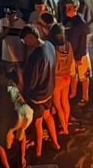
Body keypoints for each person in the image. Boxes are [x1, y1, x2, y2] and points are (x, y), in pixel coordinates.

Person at [21, 26, 59, 157]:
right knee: (48, 116)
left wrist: (25, 93)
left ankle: (38, 151)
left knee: (38, 123)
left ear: (30, 37)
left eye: (25, 40)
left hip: (38, 95)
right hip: (49, 90)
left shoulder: (36, 56)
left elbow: (31, 82)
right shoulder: (49, 45)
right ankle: (56, 143)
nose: (25, 44)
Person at [49, 23, 73, 135]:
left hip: (57, 78)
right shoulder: (68, 45)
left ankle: (64, 128)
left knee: (57, 104)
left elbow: (52, 65)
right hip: (66, 76)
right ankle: (66, 123)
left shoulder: (53, 47)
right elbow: (71, 60)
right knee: (65, 102)